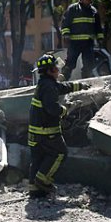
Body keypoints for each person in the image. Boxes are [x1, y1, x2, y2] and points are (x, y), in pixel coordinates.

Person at [28, 54, 91, 198]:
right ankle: (43, 180)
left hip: (35, 132)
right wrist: (65, 110)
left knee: (37, 158)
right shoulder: (49, 87)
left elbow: (63, 87)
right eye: (56, 68)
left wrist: (80, 86)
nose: (58, 70)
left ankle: (35, 190)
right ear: (50, 70)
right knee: (60, 153)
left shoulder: (45, 83)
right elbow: (52, 109)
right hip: (46, 132)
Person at [60, 0, 104, 80]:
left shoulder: (94, 11)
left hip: (88, 43)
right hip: (74, 42)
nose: (88, 1)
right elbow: (65, 23)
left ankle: (86, 81)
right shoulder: (73, 9)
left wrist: (100, 38)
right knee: (70, 63)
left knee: (89, 64)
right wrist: (66, 34)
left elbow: (98, 27)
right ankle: (63, 79)